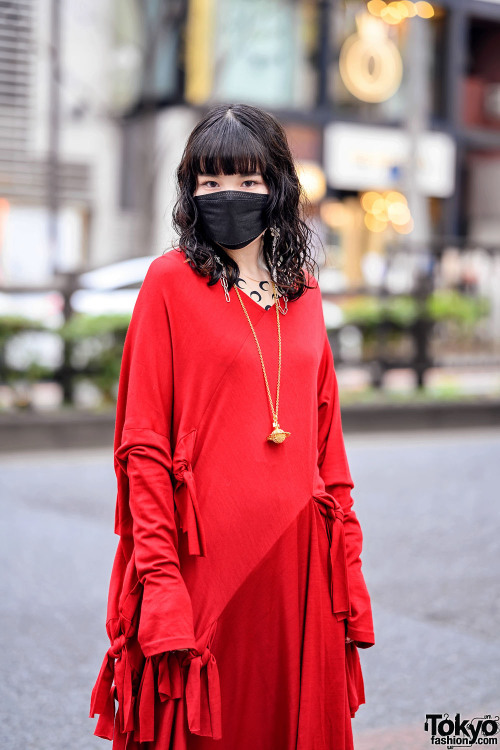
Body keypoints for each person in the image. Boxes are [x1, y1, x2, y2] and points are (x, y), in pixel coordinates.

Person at [89, 103, 375, 750]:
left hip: (297, 571)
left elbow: (328, 445)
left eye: (247, 181)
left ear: (278, 187)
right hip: (204, 569)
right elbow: (142, 449)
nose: (228, 196)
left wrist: (348, 567)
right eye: (210, 181)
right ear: (190, 191)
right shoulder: (168, 283)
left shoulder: (304, 291)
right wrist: (160, 584)